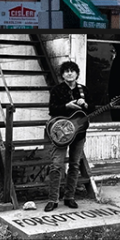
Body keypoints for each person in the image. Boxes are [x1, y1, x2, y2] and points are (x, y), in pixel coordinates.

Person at [46, 60, 88, 212]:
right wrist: (66, 106)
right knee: (56, 165)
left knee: (75, 165)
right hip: (61, 134)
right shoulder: (57, 90)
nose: (69, 73)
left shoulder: (83, 90)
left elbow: (92, 110)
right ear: (62, 75)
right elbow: (52, 109)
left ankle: (70, 197)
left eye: (72, 71)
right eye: (66, 71)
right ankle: (53, 199)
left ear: (77, 73)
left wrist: (86, 104)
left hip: (79, 133)